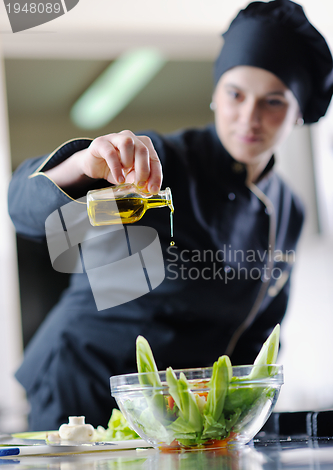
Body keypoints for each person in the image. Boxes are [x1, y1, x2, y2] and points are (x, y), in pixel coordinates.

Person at [8, 0, 333, 431]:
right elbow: (23, 210)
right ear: (215, 94)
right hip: (83, 386)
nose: (249, 117)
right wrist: (84, 166)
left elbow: (257, 336)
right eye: (236, 94)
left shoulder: (289, 208)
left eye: (273, 102)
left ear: (298, 115)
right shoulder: (157, 162)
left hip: (179, 411)